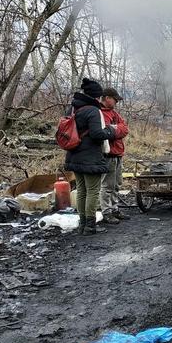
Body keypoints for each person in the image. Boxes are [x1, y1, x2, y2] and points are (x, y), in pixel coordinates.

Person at [64, 78, 116, 235]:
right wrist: (111, 131)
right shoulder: (93, 111)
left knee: (81, 190)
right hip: (90, 158)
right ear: (96, 97)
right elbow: (96, 134)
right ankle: (90, 226)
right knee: (93, 190)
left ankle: (82, 224)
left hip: (74, 155)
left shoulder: (72, 109)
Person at [99, 87, 130, 225]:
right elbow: (106, 132)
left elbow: (124, 128)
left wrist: (115, 129)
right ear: (107, 98)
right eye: (115, 99)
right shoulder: (99, 113)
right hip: (108, 154)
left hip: (117, 152)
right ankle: (106, 212)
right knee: (107, 185)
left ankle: (115, 208)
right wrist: (115, 129)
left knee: (117, 183)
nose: (116, 102)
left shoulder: (113, 113)